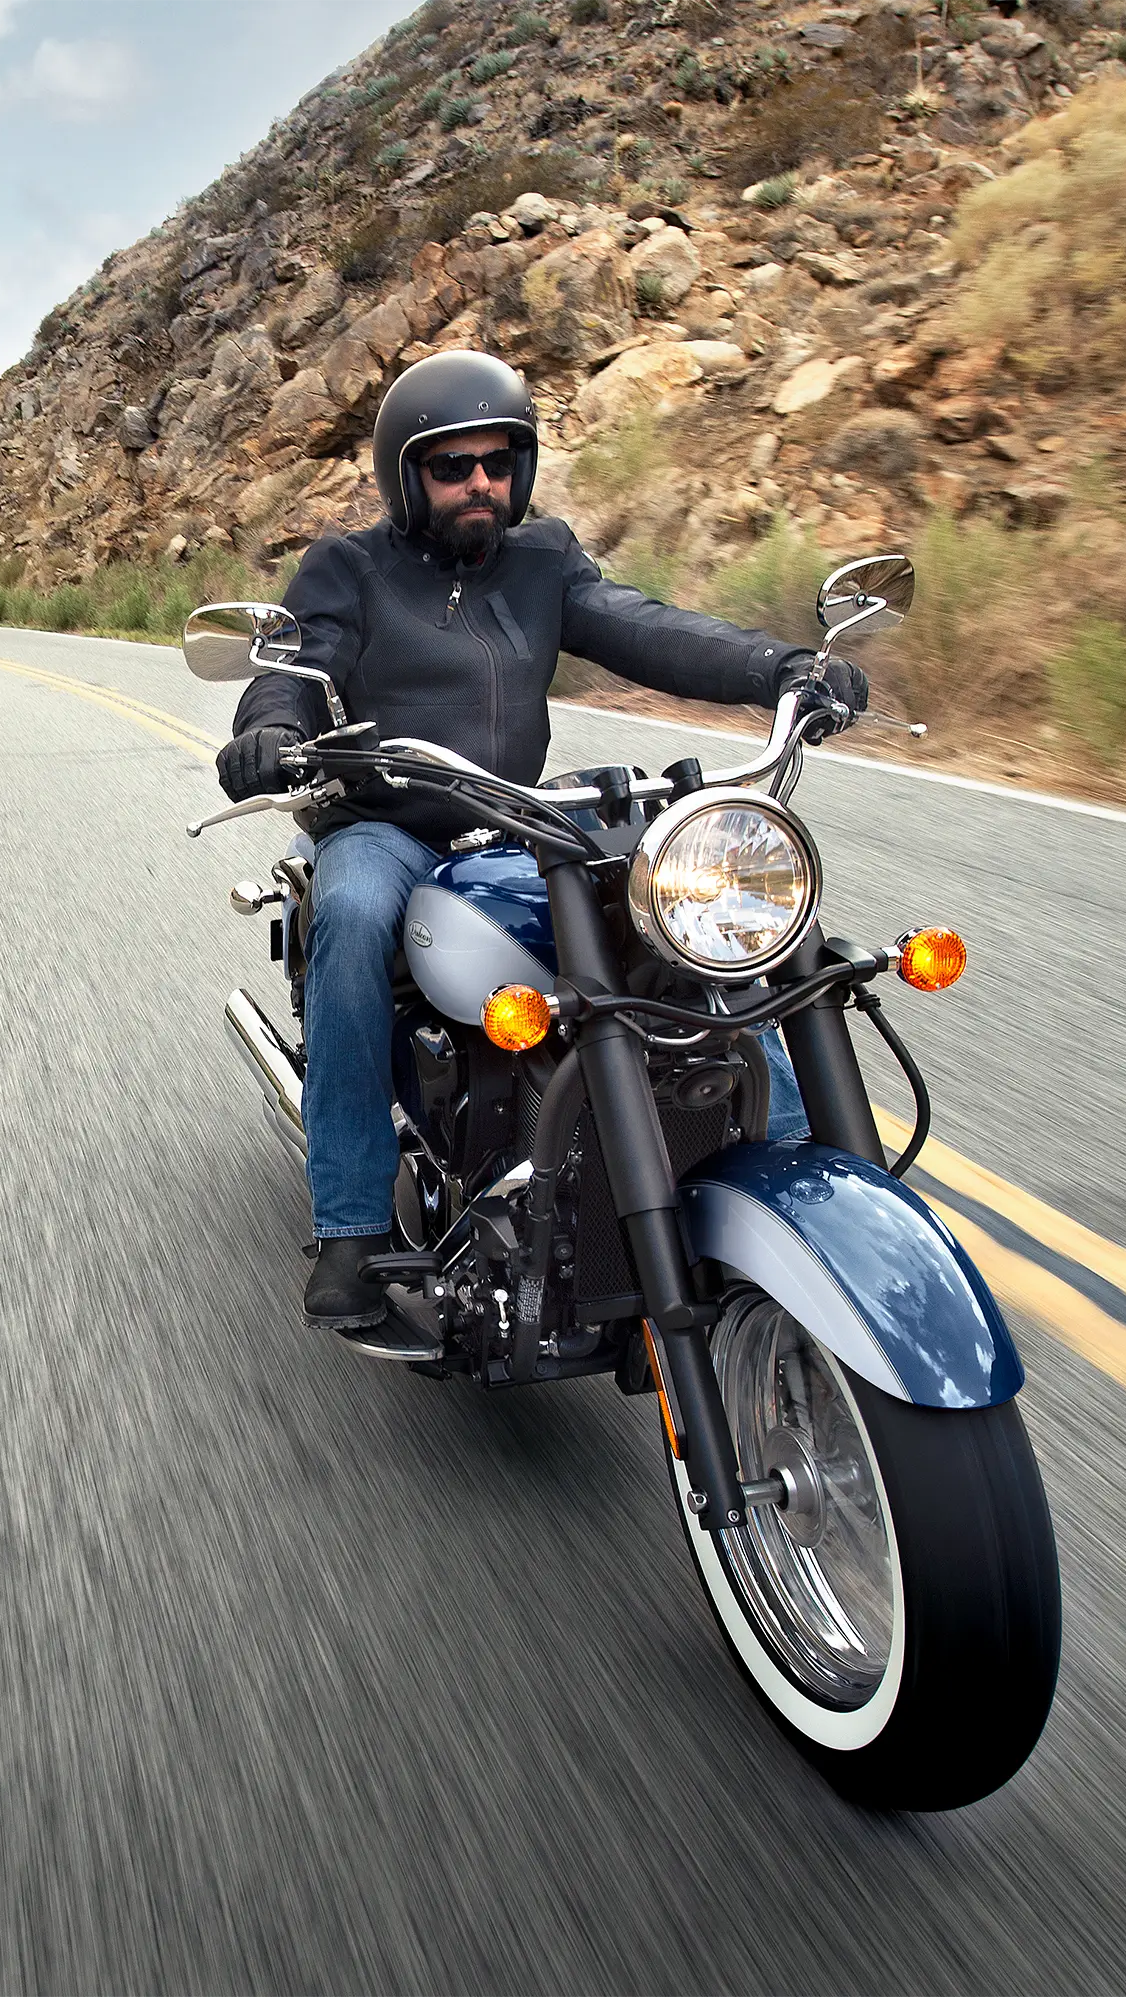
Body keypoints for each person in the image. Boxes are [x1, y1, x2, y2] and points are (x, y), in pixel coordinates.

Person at [212, 350, 867, 1344]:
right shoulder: (348, 567)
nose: (479, 482)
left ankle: (798, 1174)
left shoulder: (543, 558)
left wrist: (782, 668)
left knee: (686, 910)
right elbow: (295, 665)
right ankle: (350, 1225)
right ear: (406, 476)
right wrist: (269, 727)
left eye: (498, 461)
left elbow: (642, 625)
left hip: (516, 815)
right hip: (391, 822)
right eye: (452, 466)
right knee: (349, 914)